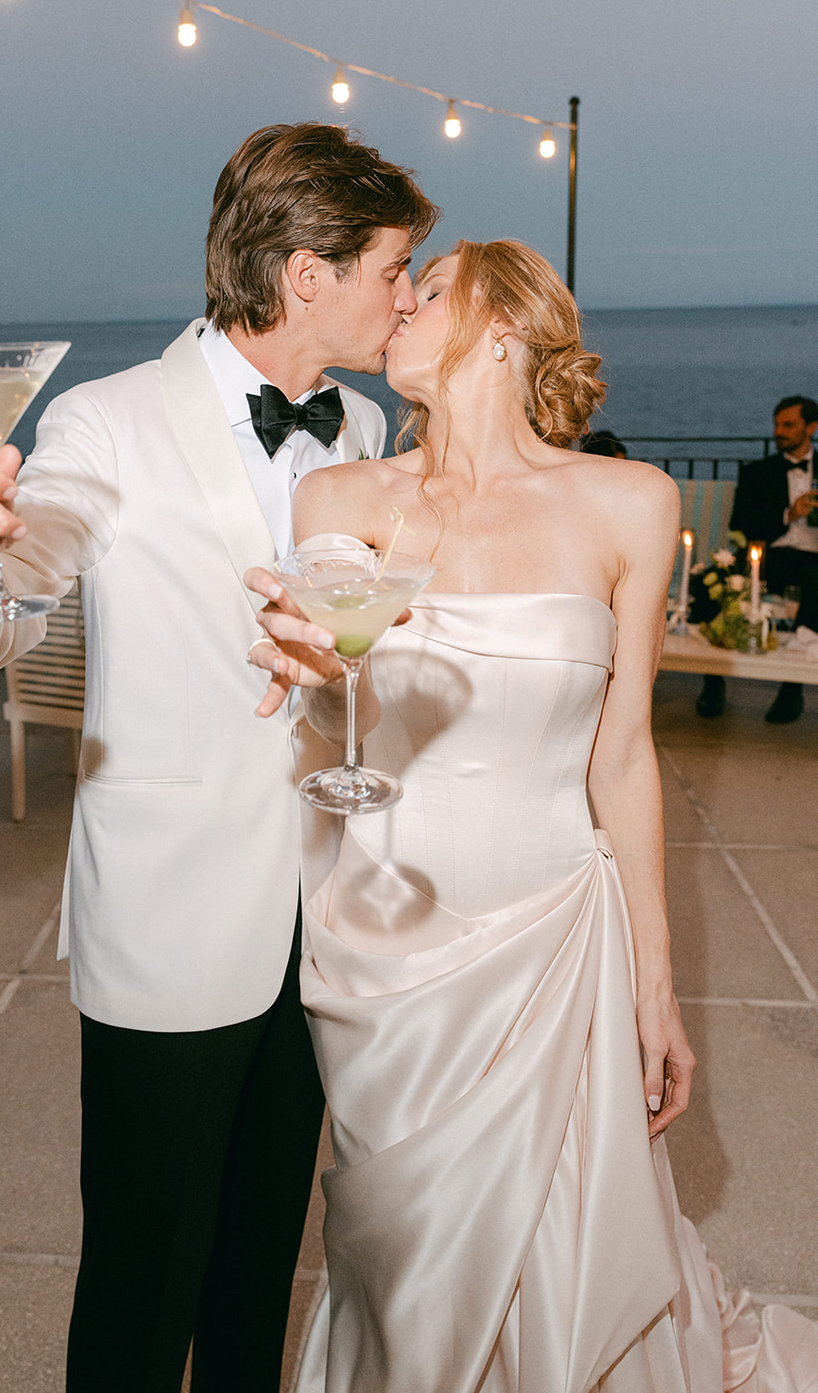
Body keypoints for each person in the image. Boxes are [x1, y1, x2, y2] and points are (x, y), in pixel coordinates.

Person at [0, 122, 439, 1393]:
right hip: (169, 914)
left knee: (260, 1269)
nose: (406, 296)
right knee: (142, 1280)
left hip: (327, 922)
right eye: (394, 267)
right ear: (309, 272)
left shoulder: (359, 428)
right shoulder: (104, 420)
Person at [246, 240, 818, 1390]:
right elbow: (325, 701)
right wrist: (307, 670)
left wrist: (654, 980)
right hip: (382, 936)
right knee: (403, 1244)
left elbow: (620, 754)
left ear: (505, 321)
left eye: (430, 284)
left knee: (570, 1245)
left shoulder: (627, 501)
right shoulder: (339, 495)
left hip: (556, 928)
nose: (397, 297)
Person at [696, 396, 818, 725]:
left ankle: (792, 690)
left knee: (816, 583)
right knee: (708, 581)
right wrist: (787, 514)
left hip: (813, 560)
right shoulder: (758, 473)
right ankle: (712, 680)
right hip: (768, 556)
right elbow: (741, 524)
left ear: (812, 427)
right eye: (776, 425)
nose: (778, 432)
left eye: (788, 425)